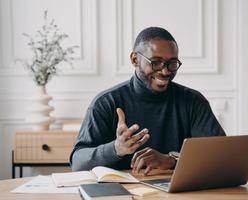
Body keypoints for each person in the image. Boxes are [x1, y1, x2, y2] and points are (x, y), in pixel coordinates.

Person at [70, 27, 226, 175]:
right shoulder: (106, 103)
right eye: (156, 62)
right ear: (135, 59)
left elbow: (221, 156)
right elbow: (78, 163)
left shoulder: (193, 101)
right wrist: (116, 148)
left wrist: (171, 160)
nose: (165, 71)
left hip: (177, 193)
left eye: (172, 63)